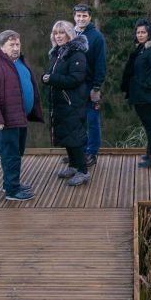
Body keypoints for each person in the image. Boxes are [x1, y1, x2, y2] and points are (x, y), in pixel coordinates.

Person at [0, 30, 44, 201]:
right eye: (11, 45)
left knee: (18, 151)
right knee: (10, 154)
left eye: (17, 44)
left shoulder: (20, 61)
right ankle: (12, 191)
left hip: (21, 117)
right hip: (6, 120)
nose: (16, 48)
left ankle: (10, 182)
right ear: (1, 46)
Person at [41, 20, 91, 186]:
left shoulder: (77, 54)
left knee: (75, 137)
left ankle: (83, 171)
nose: (58, 36)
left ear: (70, 34)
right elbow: (52, 73)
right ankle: (73, 165)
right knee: (66, 136)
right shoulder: (57, 53)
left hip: (73, 103)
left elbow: (75, 79)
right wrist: (46, 77)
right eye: (56, 33)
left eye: (62, 33)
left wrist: (52, 79)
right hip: (60, 103)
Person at [121, 18, 151, 168]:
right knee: (149, 126)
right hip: (143, 96)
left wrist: (147, 85)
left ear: (150, 33)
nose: (140, 35)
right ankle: (150, 153)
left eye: (143, 32)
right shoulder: (142, 48)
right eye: (138, 32)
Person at [72, 3, 106, 166]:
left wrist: (97, 87)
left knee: (92, 121)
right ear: (74, 17)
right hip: (74, 87)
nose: (81, 18)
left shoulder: (97, 37)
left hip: (91, 86)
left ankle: (91, 153)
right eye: (78, 16)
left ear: (90, 18)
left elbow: (101, 65)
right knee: (78, 121)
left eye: (84, 16)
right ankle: (80, 152)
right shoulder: (71, 34)